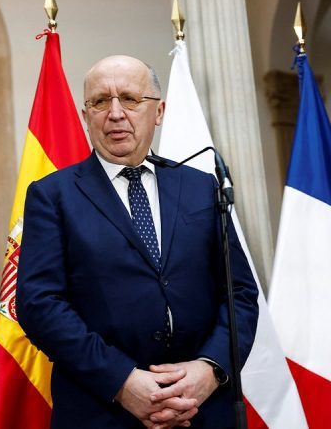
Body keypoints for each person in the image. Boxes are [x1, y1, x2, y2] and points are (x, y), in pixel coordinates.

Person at [16, 55, 259, 429]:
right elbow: (40, 305)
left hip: (203, 411)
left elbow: (239, 292)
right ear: (86, 116)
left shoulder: (201, 187)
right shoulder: (52, 195)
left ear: (158, 111)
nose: (115, 114)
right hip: (102, 412)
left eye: (129, 99)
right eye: (100, 101)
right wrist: (122, 381)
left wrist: (210, 368)